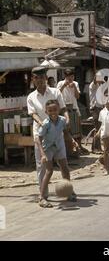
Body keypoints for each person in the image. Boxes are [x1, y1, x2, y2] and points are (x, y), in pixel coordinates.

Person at [27, 67, 70, 199]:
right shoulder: (31, 97)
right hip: (41, 136)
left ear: (46, 78)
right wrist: (42, 123)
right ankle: (43, 196)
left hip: (57, 135)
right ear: (33, 80)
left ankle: (69, 191)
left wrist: (67, 119)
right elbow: (33, 114)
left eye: (42, 77)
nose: (39, 80)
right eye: (36, 78)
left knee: (64, 164)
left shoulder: (55, 92)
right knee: (43, 167)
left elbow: (63, 109)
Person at [36, 100, 77, 208]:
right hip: (48, 148)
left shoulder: (62, 120)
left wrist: (72, 141)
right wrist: (43, 154)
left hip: (59, 145)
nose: (53, 112)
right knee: (49, 171)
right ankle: (42, 197)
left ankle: (69, 192)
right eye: (50, 110)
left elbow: (65, 132)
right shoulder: (46, 124)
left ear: (59, 109)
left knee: (65, 168)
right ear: (46, 111)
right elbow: (38, 139)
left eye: (55, 110)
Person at [57, 69, 87, 153]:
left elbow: (77, 97)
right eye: (68, 77)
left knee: (78, 128)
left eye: (72, 76)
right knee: (67, 128)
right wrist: (64, 85)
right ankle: (69, 147)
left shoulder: (75, 83)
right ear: (65, 77)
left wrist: (74, 87)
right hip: (64, 108)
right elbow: (57, 94)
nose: (70, 78)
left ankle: (79, 146)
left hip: (74, 107)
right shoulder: (60, 83)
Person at [89, 74, 103, 153]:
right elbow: (95, 80)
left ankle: (96, 147)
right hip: (95, 108)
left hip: (99, 108)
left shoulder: (100, 86)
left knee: (98, 128)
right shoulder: (93, 85)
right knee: (97, 128)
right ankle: (96, 148)